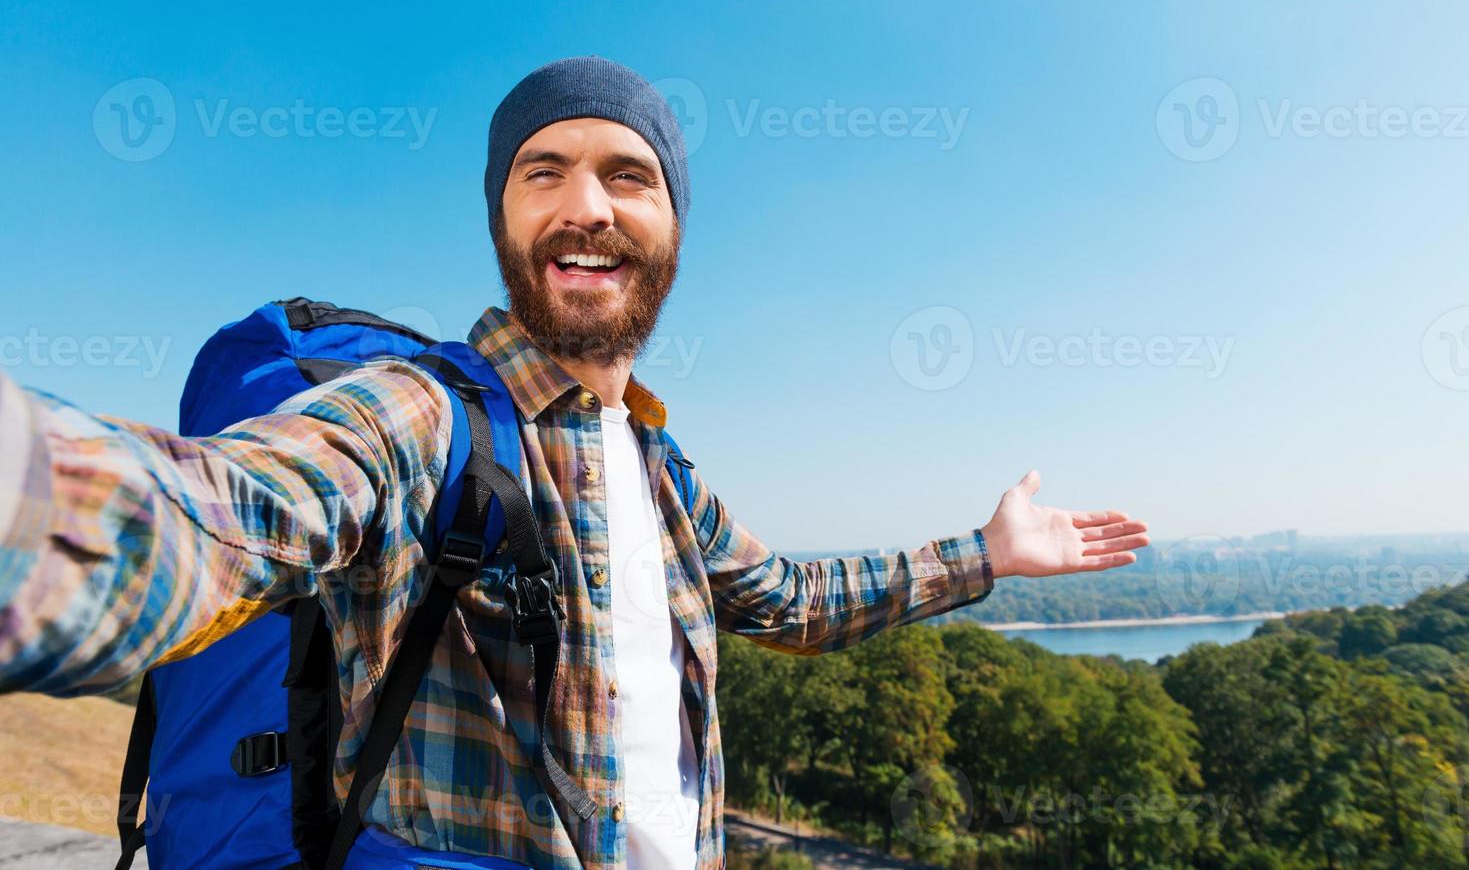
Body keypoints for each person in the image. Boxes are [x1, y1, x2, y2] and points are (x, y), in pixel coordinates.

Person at [0, 56, 1150, 869]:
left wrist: (984, 553)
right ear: (503, 219)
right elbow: (221, 512)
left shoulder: (657, 465)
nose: (583, 205)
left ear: (672, 226)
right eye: (541, 172)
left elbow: (788, 599)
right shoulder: (423, 414)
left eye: (626, 173)